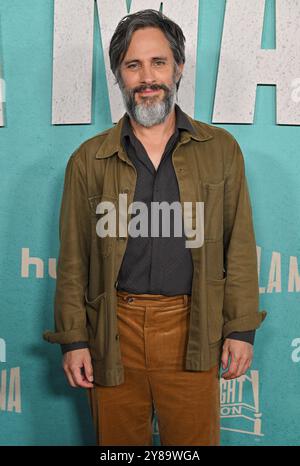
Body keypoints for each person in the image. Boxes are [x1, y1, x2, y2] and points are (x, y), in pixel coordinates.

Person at [43, 9, 267, 446]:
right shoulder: (89, 160)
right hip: (112, 328)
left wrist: (240, 330)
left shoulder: (220, 150)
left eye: (158, 62)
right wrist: (73, 340)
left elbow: (237, 245)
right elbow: (74, 260)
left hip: (194, 326)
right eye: (133, 65)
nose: (147, 77)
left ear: (178, 67)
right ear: (118, 76)